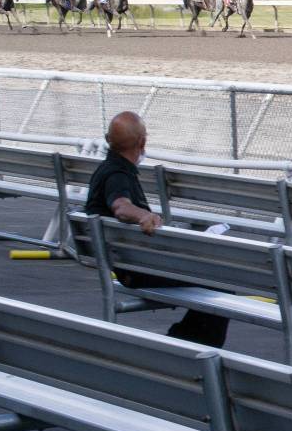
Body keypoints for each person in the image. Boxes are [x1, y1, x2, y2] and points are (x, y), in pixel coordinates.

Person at [84, 111, 230, 347]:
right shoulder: (117, 174)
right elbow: (120, 206)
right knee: (221, 282)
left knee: (213, 276)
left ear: (107, 139)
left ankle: (183, 343)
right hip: (137, 269)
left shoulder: (107, 169)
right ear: (142, 142)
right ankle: (185, 350)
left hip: (130, 263)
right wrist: (144, 214)